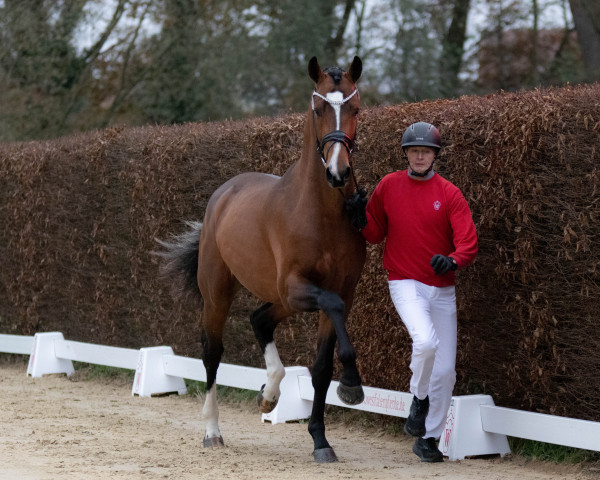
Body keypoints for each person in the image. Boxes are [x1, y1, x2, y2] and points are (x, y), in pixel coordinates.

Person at [360, 121, 477, 463]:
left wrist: (452, 260)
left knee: (445, 372)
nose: (421, 156)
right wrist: (356, 216)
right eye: (415, 151)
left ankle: (428, 438)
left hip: (442, 290)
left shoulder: (449, 193)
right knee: (424, 343)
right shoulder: (388, 185)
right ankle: (419, 399)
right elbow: (373, 233)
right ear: (406, 154)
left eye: (426, 151)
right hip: (405, 281)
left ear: (435, 155)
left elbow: (468, 243)